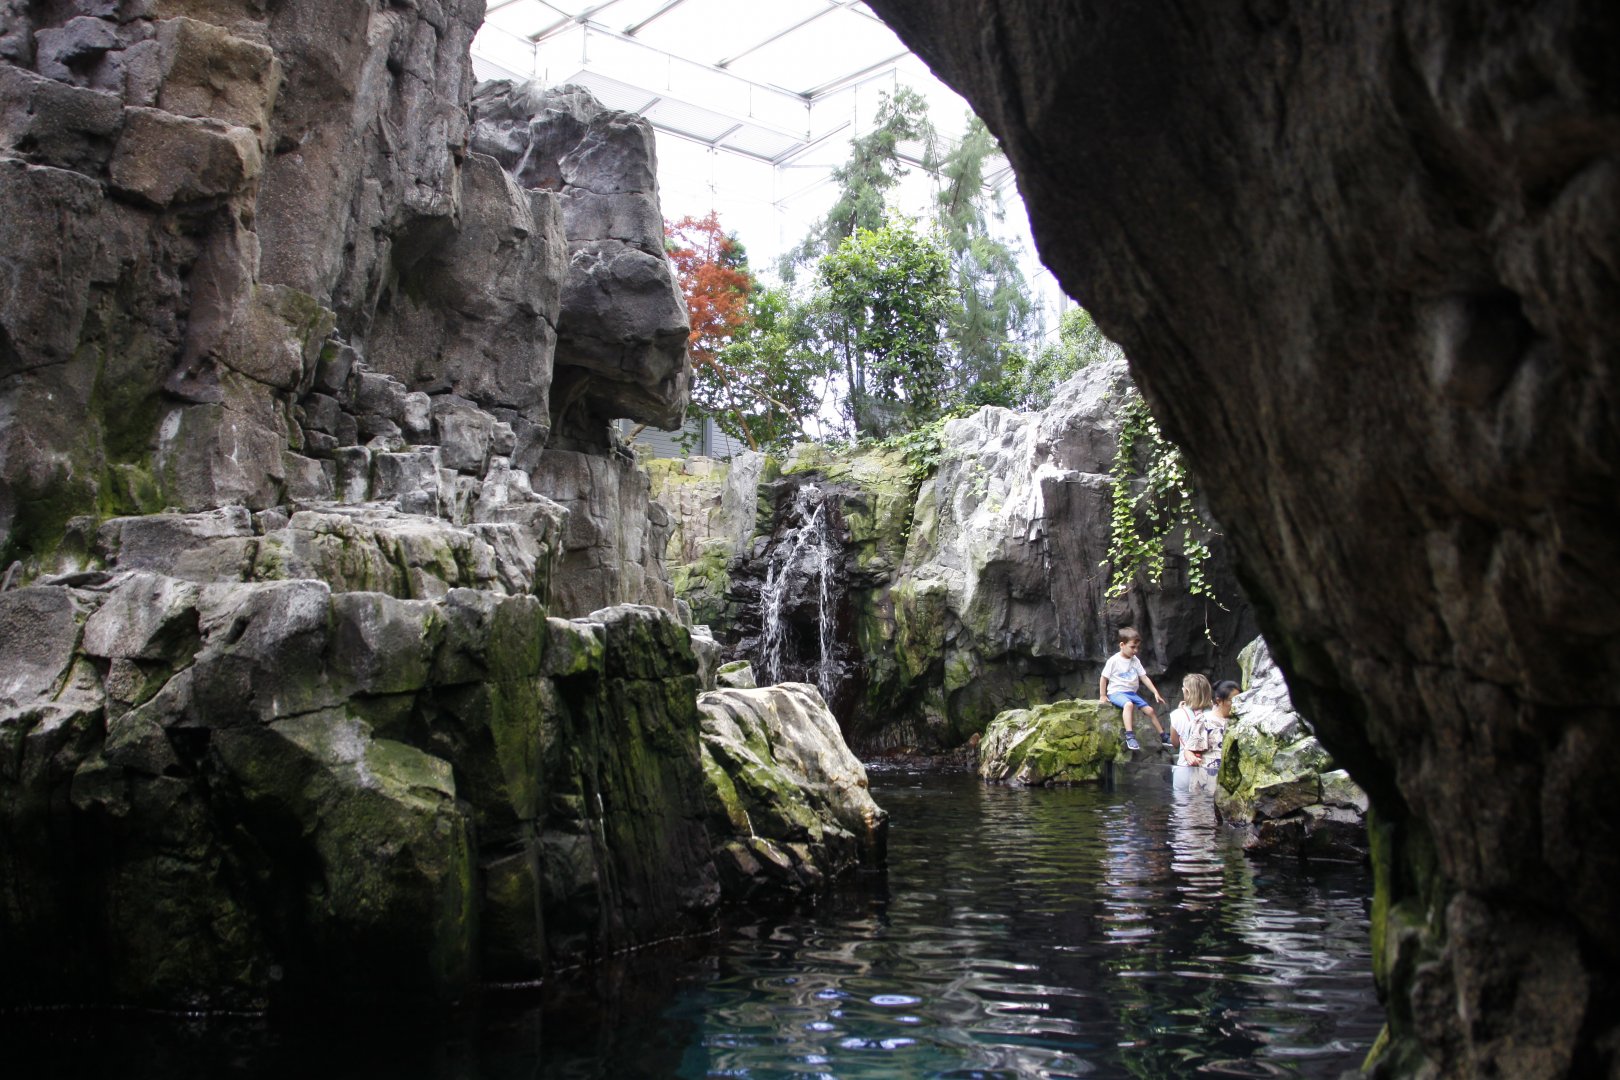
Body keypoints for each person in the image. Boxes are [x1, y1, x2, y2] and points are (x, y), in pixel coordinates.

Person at [1099, 626, 1166, 751]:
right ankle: (1130, 736)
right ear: (1122, 645)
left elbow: (1144, 677)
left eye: (1137, 647)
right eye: (1132, 647)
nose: (1135, 650)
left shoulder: (1135, 660)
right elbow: (1103, 678)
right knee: (1128, 705)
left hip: (1131, 693)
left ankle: (1163, 736)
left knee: (1150, 710)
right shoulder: (1113, 660)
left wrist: (1156, 692)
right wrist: (1103, 695)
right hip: (1116, 692)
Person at [1170, 674, 1215, 766]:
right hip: (1209, 766)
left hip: (1185, 766)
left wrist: (1179, 711)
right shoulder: (1215, 715)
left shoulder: (1177, 714)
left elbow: (1175, 743)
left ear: (1187, 692)